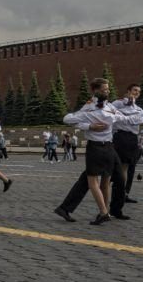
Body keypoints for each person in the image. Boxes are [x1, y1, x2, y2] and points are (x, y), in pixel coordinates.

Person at [54, 78, 134, 226]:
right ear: (96, 91)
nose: (108, 92)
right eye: (104, 89)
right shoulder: (90, 106)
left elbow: (124, 116)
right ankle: (107, 211)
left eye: (108, 89)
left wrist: (138, 110)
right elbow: (73, 119)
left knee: (105, 180)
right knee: (102, 179)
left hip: (110, 146)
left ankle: (105, 210)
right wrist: (90, 126)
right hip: (100, 147)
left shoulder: (111, 105)